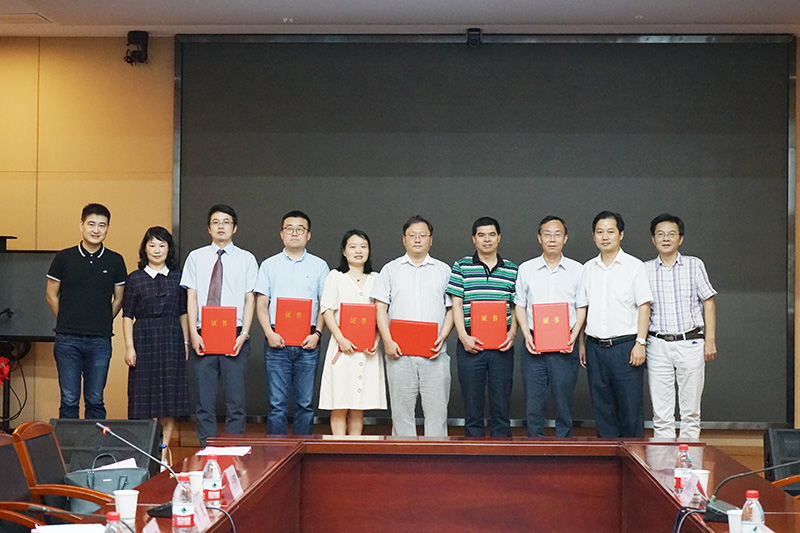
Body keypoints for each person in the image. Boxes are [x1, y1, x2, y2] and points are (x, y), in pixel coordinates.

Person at [180, 204, 257, 446]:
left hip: (235, 335)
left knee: (236, 401)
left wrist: (244, 334)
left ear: (235, 228)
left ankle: (234, 450)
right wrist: (193, 334)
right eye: (215, 222)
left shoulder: (247, 259)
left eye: (226, 222)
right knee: (204, 401)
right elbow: (191, 297)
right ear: (208, 228)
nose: (221, 226)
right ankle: (207, 450)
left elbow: (250, 298)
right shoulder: (196, 257)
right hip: (203, 335)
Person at [371, 215, 453, 437]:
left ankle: (436, 458)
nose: (417, 240)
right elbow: (380, 308)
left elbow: (451, 309)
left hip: (435, 353)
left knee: (437, 415)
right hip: (399, 354)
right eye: (412, 235)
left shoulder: (444, 270)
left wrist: (443, 337)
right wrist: (387, 341)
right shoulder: (390, 270)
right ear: (404, 239)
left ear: (430, 240)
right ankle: (404, 458)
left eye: (422, 235)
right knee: (401, 415)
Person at [46, 203, 127, 419]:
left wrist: (103, 320)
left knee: (95, 400)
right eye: (91, 224)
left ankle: (95, 442)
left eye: (102, 225)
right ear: (81, 225)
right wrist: (66, 318)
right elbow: (51, 295)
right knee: (69, 400)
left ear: (107, 228)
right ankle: (68, 443)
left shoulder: (115, 260)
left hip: (100, 340)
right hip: (67, 340)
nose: (96, 230)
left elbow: (119, 298)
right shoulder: (64, 257)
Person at [255, 210, 329, 435]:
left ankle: (303, 450)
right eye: (289, 229)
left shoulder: (319, 266)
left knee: (305, 404)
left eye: (300, 229)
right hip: (276, 340)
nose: (294, 233)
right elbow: (261, 304)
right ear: (282, 234)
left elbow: (324, 305)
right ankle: (276, 452)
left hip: (309, 341)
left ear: (308, 235)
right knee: (276, 405)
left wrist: (317, 334)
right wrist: (269, 333)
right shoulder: (269, 265)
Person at [579, 211, 653, 438]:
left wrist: (640, 343)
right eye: (600, 232)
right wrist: (581, 344)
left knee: (630, 406)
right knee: (602, 407)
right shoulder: (587, 268)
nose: (605, 237)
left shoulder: (634, 266)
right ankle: (608, 455)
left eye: (610, 231)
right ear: (593, 236)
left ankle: (633, 455)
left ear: (621, 234)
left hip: (626, 347)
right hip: (594, 347)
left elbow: (644, 306)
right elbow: (583, 309)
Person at [645, 213, 717, 440]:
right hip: (657, 344)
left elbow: (708, 302)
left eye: (671, 234)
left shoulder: (694, 265)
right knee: (661, 414)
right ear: (653, 239)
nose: (665, 239)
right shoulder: (644, 269)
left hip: (691, 342)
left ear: (681, 238)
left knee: (691, 412)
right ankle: (663, 461)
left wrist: (710, 340)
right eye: (660, 234)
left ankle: (688, 460)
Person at [515, 215, 586, 437]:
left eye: (557, 234)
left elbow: (581, 306)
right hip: (534, 344)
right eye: (547, 234)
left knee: (564, 401)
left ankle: (564, 447)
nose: (552, 239)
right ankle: (534, 447)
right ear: (539, 238)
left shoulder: (577, 270)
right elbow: (519, 305)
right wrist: (526, 335)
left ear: (565, 238)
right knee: (533, 403)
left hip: (566, 343)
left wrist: (574, 336)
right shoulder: (526, 269)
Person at [447, 216, 517, 437]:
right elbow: (456, 304)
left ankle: (502, 452)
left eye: (492, 235)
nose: (487, 239)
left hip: (502, 346)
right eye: (482, 235)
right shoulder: (461, 266)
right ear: (474, 239)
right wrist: (463, 336)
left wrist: (512, 333)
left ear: (499, 238)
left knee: (502, 404)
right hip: (470, 345)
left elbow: (516, 306)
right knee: (472, 405)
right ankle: (473, 452)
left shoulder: (512, 270)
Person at [122, 226, 190, 451]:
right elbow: (127, 316)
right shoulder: (135, 278)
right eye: (152, 245)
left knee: (169, 400)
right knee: (142, 399)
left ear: (169, 249)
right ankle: (144, 451)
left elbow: (183, 312)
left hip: (172, 339)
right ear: (145, 249)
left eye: (162, 245)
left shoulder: (179, 277)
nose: (157, 250)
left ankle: (162, 452)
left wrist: (186, 342)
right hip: (144, 339)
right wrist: (129, 347)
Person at [318, 229, 387, 435]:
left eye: (363, 247)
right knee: (339, 404)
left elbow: (380, 313)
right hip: (342, 349)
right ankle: (339, 448)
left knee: (358, 406)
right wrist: (340, 338)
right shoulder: (335, 277)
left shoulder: (377, 278)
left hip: (366, 351)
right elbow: (327, 309)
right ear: (344, 251)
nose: (359, 251)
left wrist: (377, 340)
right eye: (353, 246)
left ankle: (355, 446)